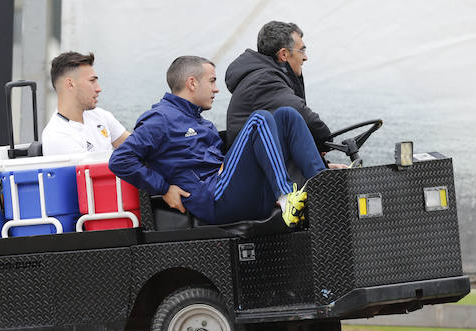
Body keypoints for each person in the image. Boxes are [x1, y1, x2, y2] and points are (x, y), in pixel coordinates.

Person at [109, 56, 327, 227]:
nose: (216, 89)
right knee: (259, 119)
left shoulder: (200, 121)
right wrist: (164, 188)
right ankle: (286, 196)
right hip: (214, 198)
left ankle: (326, 185)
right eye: (212, 81)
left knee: (286, 116)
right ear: (192, 83)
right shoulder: (160, 119)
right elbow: (121, 159)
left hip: (234, 189)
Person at [225, 21, 331, 153]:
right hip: (254, 169)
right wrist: (326, 142)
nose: (305, 57)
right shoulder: (265, 81)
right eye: (302, 50)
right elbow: (301, 115)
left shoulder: (263, 77)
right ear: (283, 54)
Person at [42, 51, 130, 155]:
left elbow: (137, 147)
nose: (99, 89)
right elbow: (97, 170)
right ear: (70, 84)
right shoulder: (57, 136)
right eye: (92, 81)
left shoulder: (101, 115)